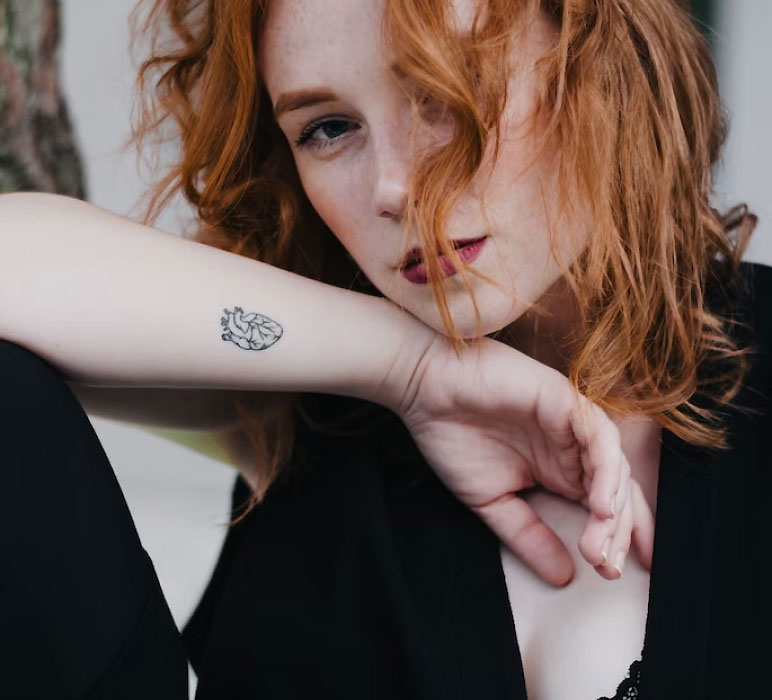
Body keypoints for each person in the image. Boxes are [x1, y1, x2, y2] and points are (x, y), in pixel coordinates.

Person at [0, 0, 768, 698]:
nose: (392, 188)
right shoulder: (310, 410)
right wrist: (407, 367)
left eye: (444, 87)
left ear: (597, 55)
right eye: (328, 128)